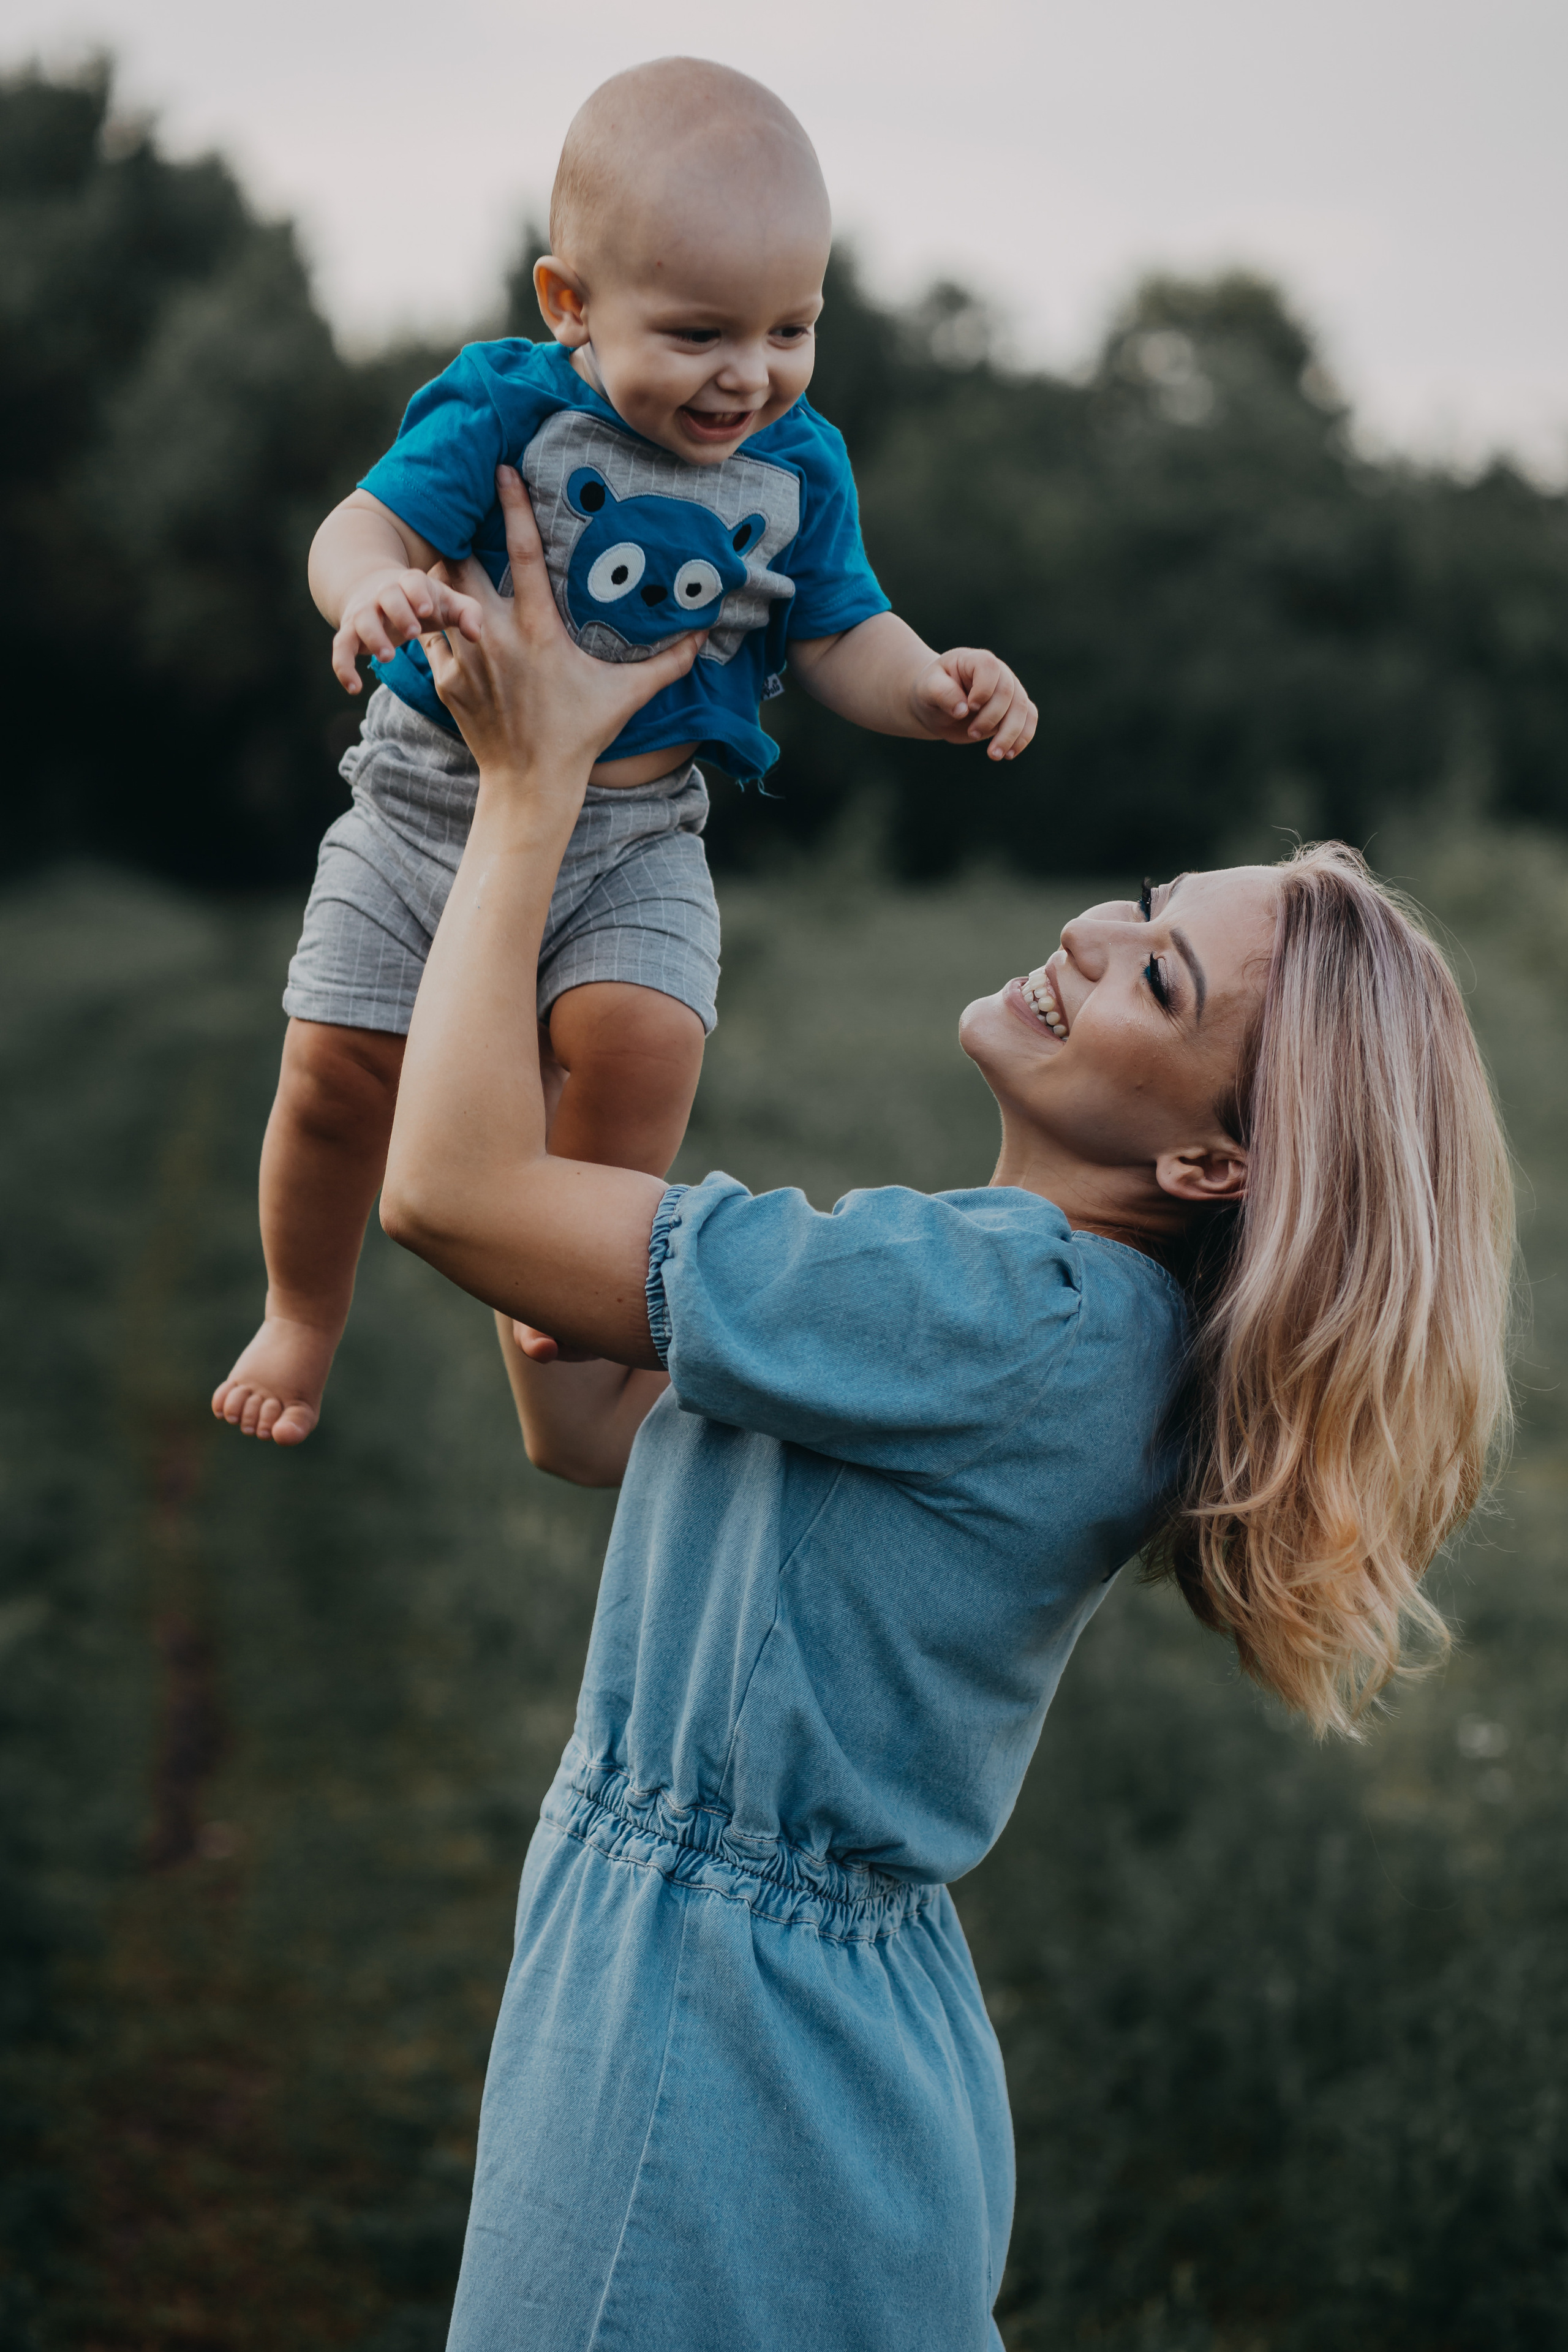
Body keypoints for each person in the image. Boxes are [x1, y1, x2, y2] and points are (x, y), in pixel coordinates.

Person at [379, 475, 1515, 2349]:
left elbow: (446, 1199)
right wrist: (603, 994)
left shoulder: (1001, 1309)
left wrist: (530, 796)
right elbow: (579, 1412)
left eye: (1156, 974)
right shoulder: (1066, 1312)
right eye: (1147, 906)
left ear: (1219, 1155)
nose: (1086, 932)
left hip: (722, 2056)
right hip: (805, 2036)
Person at [211, 56, 1036, 1448]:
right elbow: (358, 528)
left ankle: (566, 1262)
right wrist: (368, 589)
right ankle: (302, 1310)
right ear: (569, 303)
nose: (750, 375)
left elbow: (841, 632)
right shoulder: (501, 407)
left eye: (791, 328)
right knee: (335, 1069)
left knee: (645, 1039)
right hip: (427, 806)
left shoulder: (799, 466)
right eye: (703, 331)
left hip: (640, 835)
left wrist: (933, 687)